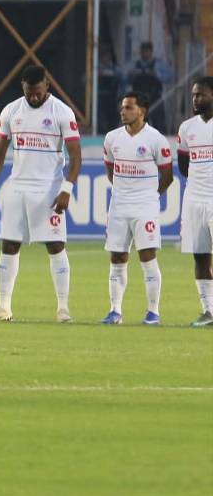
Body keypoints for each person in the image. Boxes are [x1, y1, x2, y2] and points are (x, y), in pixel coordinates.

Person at [0, 64, 82, 323]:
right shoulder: (11, 111)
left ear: (47, 85)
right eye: (29, 93)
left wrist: (66, 189)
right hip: (17, 187)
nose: (34, 97)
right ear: (22, 88)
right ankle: (4, 307)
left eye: (37, 92)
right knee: (9, 245)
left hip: (48, 189)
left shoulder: (62, 112)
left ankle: (63, 309)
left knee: (56, 246)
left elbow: (75, 155)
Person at [100, 92, 173, 325]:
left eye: (129, 108)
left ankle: (153, 312)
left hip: (145, 207)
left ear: (142, 110)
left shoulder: (156, 139)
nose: (123, 112)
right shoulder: (112, 139)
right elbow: (110, 170)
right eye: (123, 108)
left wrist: (150, 196)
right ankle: (115, 311)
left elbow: (168, 176)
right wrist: (124, 192)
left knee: (147, 255)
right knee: (118, 257)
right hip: (119, 205)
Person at [176, 77, 213, 326]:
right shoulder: (186, 128)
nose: (195, 99)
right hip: (194, 198)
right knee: (200, 256)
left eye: (201, 94)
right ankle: (208, 311)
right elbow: (183, 165)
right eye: (193, 95)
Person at [126, 42, 173, 119]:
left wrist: (157, 75)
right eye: (143, 51)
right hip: (139, 99)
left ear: (151, 51)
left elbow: (169, 77)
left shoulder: (159, 64)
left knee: (158, 123)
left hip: (155, 98)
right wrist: (132, 75)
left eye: (147, 51)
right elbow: (126, 79)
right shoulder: (135, 64)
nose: (145, 53)